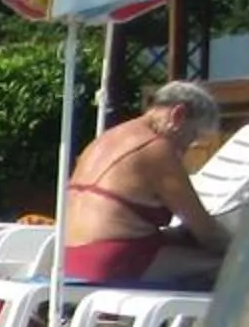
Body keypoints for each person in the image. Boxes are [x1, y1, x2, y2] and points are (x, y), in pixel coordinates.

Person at [61, 79, 229, 288]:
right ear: (177, 116)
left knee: (184, 240)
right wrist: (244, 250)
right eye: (193, 134)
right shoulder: (156, 150)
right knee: (232, 267)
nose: (189, 146)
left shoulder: (105, 139)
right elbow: (206, 231)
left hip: (69, 259)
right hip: (110, 262)